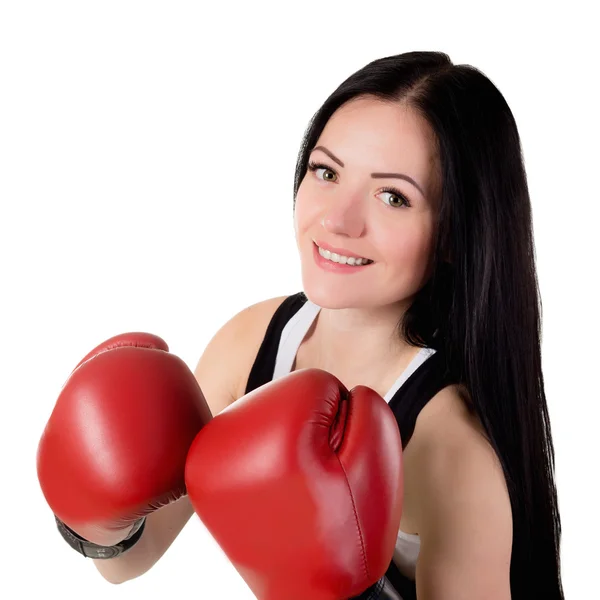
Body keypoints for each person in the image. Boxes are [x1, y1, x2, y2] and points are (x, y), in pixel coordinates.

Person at [36, 50, 564, 599]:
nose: (336, 219)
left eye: (393, 196)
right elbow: (129, 561)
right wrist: (97, 514)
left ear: (456, 233)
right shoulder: (252, 342)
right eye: (326, 171)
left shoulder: (453, 450)